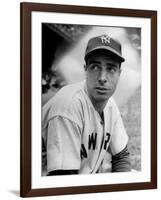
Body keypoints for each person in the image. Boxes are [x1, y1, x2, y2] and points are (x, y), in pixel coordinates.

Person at [42, 34, 131, 175]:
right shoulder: (68, 106)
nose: (102, 78)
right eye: (95, 67)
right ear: (85, 69)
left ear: (119, 73)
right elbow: (62, 179)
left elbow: (121, 156)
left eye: (111, 68)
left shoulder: (110, 104)